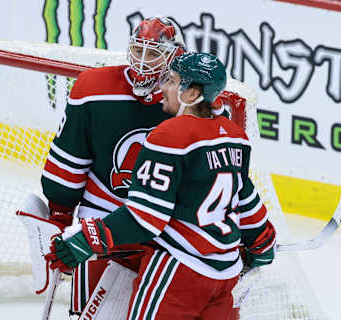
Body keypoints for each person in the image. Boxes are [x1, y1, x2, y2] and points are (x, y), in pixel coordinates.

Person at [45, 52, 276, 319]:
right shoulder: (235, 136)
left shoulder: (169, 135)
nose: (162, 87)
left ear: (191, 94)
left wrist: (87, 237)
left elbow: (146, 218)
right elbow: (244, 196)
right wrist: (261, 240)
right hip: (226, 275)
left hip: (178, 271)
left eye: (172, 81)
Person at [40, 16, 186, 315]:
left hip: (162, 224)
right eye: (138, 50)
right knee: (88, 311)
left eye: (154, 53)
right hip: (101, 213)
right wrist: (59, 214)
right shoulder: (94, 87)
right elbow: (70, 157)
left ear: (175, 56)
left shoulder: (189, 101)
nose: (143, 62)